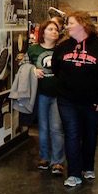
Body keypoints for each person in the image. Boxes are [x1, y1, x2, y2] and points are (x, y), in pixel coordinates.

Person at [51, 11, 98, 188]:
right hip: (67, 99)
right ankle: (73, 173)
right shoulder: (62, 47)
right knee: (71, 133)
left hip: (92, 100)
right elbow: (56, 68)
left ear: (82, 24)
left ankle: (88, 166)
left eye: (71, 23)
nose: (67, 26)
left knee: (90, 134)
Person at [28, 20, 65, 176]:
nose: (54, 32)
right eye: (50, 29)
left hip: (58, 94)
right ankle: (44, 157)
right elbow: (23, 65)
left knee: (56, 128)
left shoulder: (62, 50)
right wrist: (33, 70)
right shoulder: (33, 49)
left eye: (56, 29)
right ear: (42, 32)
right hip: (41, 93)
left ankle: (57, 161)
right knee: (42, 128)